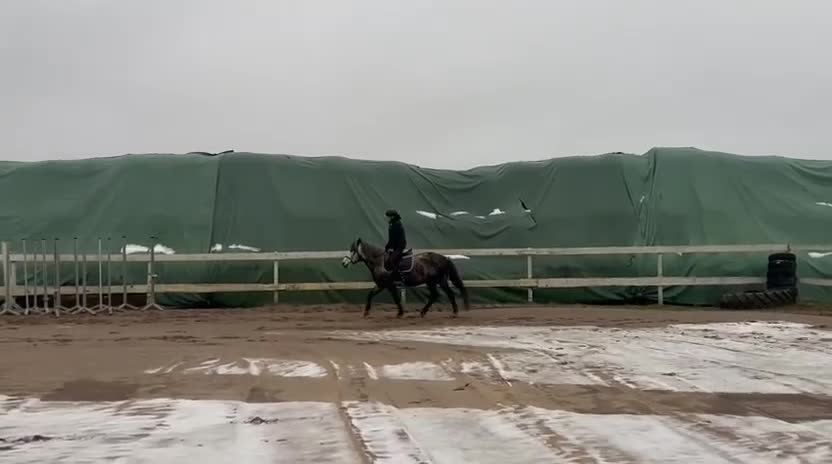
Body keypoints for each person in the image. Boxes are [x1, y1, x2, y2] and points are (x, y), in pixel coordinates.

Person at [384, 209, 407, 280]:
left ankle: (398, 276)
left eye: (388, 216)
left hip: (400, 246)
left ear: (392, 217)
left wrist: (390, 247)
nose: (386, 218)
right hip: (396, 245)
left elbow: (394, 239)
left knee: (392, 260)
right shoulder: (392, 224)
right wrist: (387, 247)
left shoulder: (396, 224)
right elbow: (391, 239)